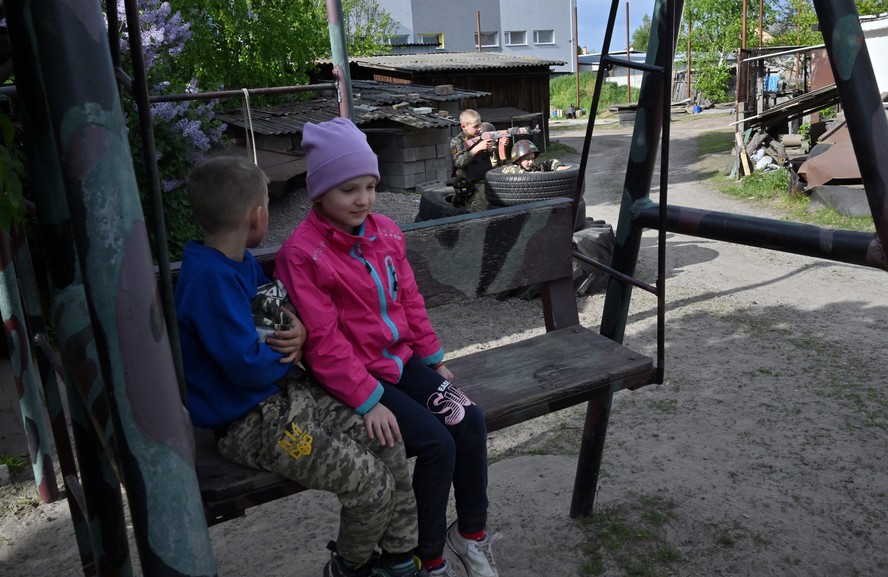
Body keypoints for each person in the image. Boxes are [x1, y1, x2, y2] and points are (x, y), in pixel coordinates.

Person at [175, 156, 423, 577]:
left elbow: (277, 326)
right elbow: (249, 366)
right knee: (371, 485)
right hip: (250, 424)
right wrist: (290, 348)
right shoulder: (208, 280)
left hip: (288, 397)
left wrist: (301, 336)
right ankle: (349, 567)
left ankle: (399, 558)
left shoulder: (242, 263)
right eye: (268, 207)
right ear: (258, 215)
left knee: (388, 440)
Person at [276, 117, 499, 577]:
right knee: (436, 443)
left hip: (401, 362)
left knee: (469, 418)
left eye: (370, 186)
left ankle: (470, 534)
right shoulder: (303, 254)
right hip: (357, 379)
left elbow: (409, 299)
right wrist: (367, 401)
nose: (363, 200)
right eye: (348, 189)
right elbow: (322, 339)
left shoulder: (385, 233)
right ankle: (429, 557)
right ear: (319, 192)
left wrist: (432, 357)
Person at [449, 109, 509, 212]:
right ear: (464, 127)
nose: (479, 129)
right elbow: (459, 162)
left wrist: (501, 146)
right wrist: (477, 148)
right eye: (475, 126)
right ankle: (460, 200)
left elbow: (496, 162)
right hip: (469, 182)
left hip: (485, 179)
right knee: (480, 206)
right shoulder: (457, 141)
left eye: (479, 125)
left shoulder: (483, 136)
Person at [501, 139, 571, 174]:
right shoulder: (514, 169)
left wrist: (558, 167)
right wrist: (530, 175)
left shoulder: (534, 167)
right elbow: (507, 170)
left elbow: (550, 163)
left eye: (533, 158)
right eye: (527, 159)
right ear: (518, 160)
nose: (531, 162)